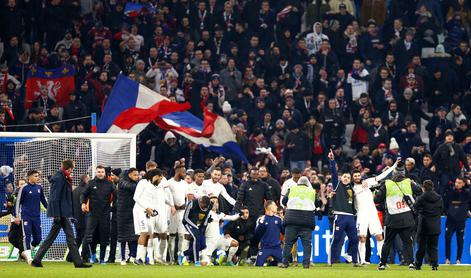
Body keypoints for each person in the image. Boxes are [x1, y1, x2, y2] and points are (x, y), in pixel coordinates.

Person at [32, 159, 91, 268]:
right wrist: (57, 214)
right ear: (69, 168)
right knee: (70, 237)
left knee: (54, 238)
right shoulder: (60, 178)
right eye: (72, 168)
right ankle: (78, 262)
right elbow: (55, 197)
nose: (72, 170)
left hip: (62, 212)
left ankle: (36, 260)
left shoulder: (62, 177)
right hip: (60, 213)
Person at [374, 162, 422, 270]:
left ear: (394, 173)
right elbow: (419, 191)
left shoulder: (387, 184)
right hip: (406, 218)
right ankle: (411, 263)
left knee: (387, 242)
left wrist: (378, 191)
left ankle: (382, 264)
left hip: (392, 219)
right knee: (408, 242)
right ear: (404, 173)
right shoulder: (408, 182)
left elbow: (376, 199)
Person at [353, 159, 399, 265]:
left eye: (358, 175)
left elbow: (381, 176)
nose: (357, 177)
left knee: (379, 236)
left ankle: (382, 260)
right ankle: (362, 260)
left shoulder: (368, 182)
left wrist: (394, 166)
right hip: (361, 214)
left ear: (361, 176)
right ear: (352, 178)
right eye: (354, 176)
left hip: (372, 213)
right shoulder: (352, 188)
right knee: (362, 237)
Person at [328, 149, 360, 266]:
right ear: (341, 178)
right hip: (340, 216)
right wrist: (332, 160)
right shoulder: (337, 184)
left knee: (354, 239)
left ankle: (355, 261)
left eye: (348, 177)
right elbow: (333, 173)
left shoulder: (352, 188)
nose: (346, 178)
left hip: (351, 217)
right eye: (344, 177)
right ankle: (330, 261)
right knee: (336, 239)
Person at [133, 168, 170, 265]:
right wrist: (146, 207)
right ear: (154, 176)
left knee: (149, 234)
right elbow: (136, 197)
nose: (160, 180)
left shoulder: (154, 185)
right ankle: (138, 258)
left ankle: (143, 259)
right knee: (144, 232)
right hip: (140, 210)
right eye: (159, 178)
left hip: (148, 211)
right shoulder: (143, 183)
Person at [80, 166, 116, 264]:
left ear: (105, 173)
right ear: (96, 172)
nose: (100, 173)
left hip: (105, 215)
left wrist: (112, 208)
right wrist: (83, 203)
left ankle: (102, 259)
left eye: (102, 172)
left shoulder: (110, 184)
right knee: (89, 236)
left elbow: (116, 196)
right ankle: (88, 257)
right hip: (92, 214)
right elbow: (83, 194)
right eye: (98, 172)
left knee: (104, 237)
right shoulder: (91, 183)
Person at [280, 176, 317, 269]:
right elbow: (317, 203)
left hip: (292, 220)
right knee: (307, 244)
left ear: (298, 183)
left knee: (288, 243)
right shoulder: (312, 191)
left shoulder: (292, 189)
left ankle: (285, 263)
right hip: (306, 221)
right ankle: (306, 264)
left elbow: (284, 201)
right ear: (307, 183)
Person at [15, 170, 47, 264]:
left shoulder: (39, 187)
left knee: (38, 239)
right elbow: (18, 202)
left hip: (37, 217)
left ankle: (26, 252)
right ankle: (29, 258)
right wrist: (17, 215)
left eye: (38, 176)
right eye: (35, 176)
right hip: (26, 216)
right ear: (29, 177)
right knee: (27, 236)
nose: (38, 177)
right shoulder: (23, 188)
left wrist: (50, 211)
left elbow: (44, 201)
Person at [200, 197, 240, 266]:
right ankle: (209, 260)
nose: (215, 204)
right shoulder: (204, 213)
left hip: (219, 239)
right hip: (208, 241)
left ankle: (228, 261)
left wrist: (240, 214)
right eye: (213, 202)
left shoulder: (219, 214)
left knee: (235, 243)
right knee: (204, 264)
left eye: (217, 202)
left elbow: (232, 218)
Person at [414, 180, 443, 271]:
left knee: (421, 247)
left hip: (424, 225)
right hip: (435, 225)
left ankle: (418, 265)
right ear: (433, 187)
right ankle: (434, 265)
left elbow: (415, 207)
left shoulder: (421, 197)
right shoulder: (439, 198)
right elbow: (441, 209)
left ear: (423, 187)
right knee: (433, 247)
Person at [443, 177, 470, 265]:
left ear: (463, 184)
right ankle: (447, 259)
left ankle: (458, 259)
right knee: (447, 238)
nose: (457, 184)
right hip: (450, 220)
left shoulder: (467, 193)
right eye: (456, 182)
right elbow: (445, 203)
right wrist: (448, 212)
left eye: (459, 183)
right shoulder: (450, 192)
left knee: (460, 240)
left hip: (461, 220)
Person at [180, 195, 213, 266]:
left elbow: (206, 217)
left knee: (203, 245)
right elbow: (185, 218)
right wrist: (195, 227)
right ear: (200, 202)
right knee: (196, 238)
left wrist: (203, 228)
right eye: (204, 206)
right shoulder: (192, 203)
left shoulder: (209, 205)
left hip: (199, 226)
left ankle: (183, 254)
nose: (205, 208)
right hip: (188, 223)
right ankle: (196, 261)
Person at [116, 168, 139, 265]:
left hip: (133, 212)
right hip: (122, 212)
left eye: (137, 175)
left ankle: (132, 256)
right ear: (129, 174)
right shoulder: (123, 182)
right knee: (123, 237)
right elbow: (130, 187)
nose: (137, 177)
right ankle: (123, 258)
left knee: (134, 236)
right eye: (135, 175)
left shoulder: (134, 182)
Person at [168, 162, 189, 264]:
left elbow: (187, 197)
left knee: (181, 235)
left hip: (182, 212)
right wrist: (172, 206)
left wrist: (186, 205)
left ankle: (180, 258)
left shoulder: (185, 183)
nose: (185, 174)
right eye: (183, 172)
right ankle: (171, 259)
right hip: (172, 212)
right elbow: (166, 197)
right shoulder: (169, 183)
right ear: (177, 171)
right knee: (172, 235)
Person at [254, 200, 284, 266]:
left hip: (277, 248)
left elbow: (284, 231)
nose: (276, 207)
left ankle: (271, 263)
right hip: (265, 247)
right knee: (258, 265)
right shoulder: (261, 219)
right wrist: (261, 224)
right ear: (270, 207)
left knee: (283, 265)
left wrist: (284, 223)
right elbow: (256, 234)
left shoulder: (278, 219)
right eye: (275, 205)